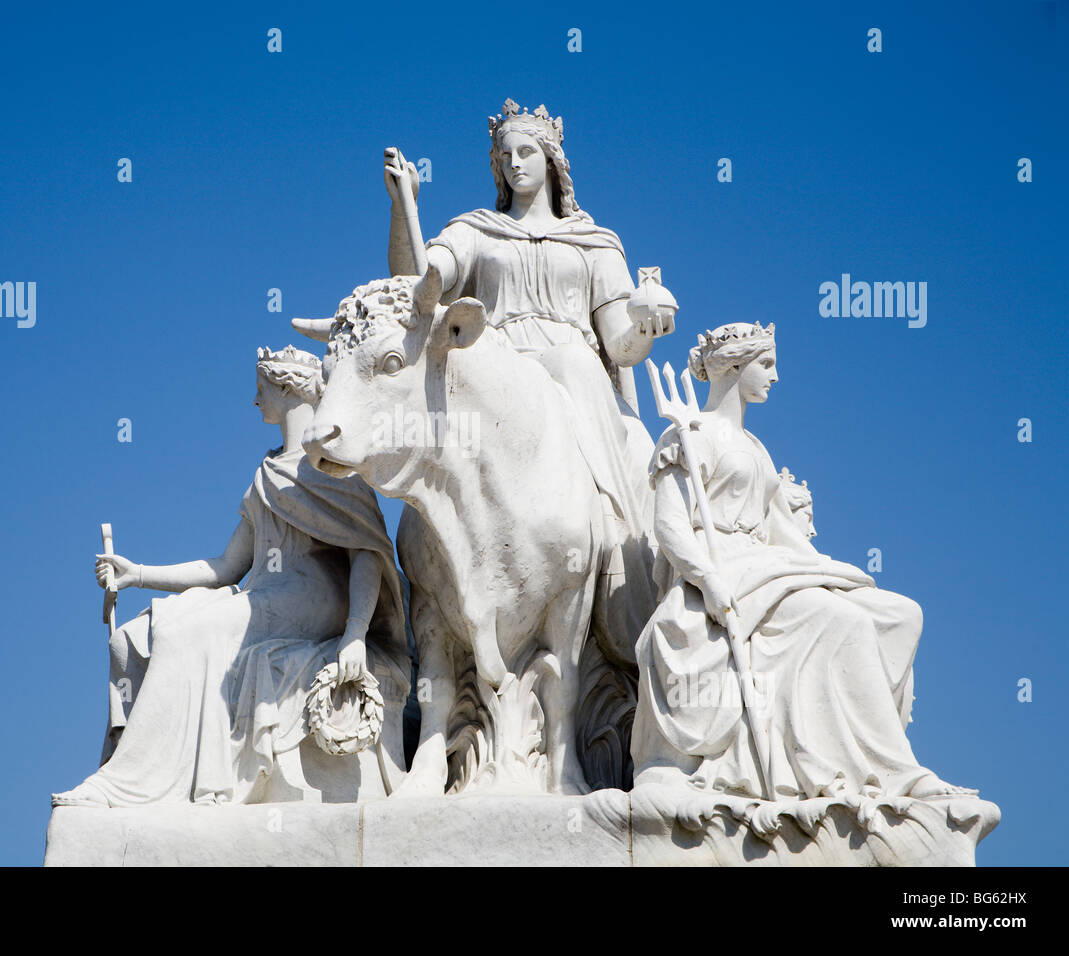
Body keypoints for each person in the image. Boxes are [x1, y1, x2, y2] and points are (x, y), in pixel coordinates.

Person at [52, 346, 411, 807]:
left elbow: (366, 555)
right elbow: (224, 568)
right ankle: (127, 764)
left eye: (261, 388)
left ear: (286, 388)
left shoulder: (333, 469)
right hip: (264, 592)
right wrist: (137, 573)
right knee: (133, 638)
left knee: (189, 636)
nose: (254, 399)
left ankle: (135, 785)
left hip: (315, 597)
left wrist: (356, 635)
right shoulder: (265, 473)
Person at [631, 322, 975, 801]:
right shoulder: (689, 434)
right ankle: (889, 773)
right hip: (725, 570)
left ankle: (871, 761)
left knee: (898, 615)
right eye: (766, 364)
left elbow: (786, 537)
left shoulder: (756, 450)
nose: (775, 376)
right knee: (842, 621)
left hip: (768, 568)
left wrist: (837, 575)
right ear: (734, 366)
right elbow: (670, 526)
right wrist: (708, 579)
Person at [384, 98, 672, 658]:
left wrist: (648, 323)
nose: (514, 164)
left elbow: (620, 345)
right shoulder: (477, 230)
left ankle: (618, 558)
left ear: (551, 160)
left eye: (526, 152)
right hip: (496, 371)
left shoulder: (595, 243)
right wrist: (404, 210)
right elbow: (418, 286)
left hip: (575, 376)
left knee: (636, 449)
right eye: (504, 156)